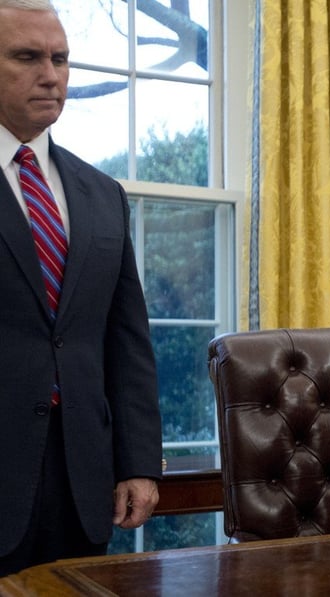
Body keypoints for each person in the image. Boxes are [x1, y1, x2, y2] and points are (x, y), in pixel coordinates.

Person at [0, 0, 162, 576]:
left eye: (61, 59)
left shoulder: (101, 194)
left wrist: (139, 462)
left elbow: (127, 341)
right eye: (27, 57)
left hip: (82, 482)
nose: (51, 74)